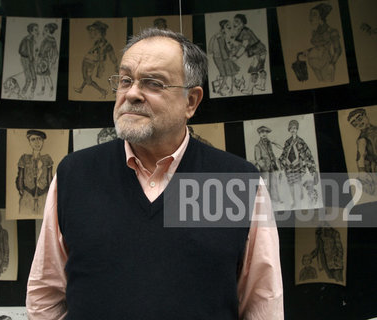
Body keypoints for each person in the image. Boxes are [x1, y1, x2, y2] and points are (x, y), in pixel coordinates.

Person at [27, 28, 283, 319]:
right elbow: (45, 293)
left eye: (153, 83)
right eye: (125, 80)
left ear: (191, 102)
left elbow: (263, 302)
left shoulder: (234, 182)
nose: (132, 93)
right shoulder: (75, 174)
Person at [278, 120, 318, 209]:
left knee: (300, 184)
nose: (293, 130)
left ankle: (305, 197)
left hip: (298, 167)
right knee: (291, 184)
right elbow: (284, 154)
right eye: (291, 128)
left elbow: (308, 154)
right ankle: (295, 202)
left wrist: (312, 169)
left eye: (295, 128)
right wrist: (280, 163)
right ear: (289, 129)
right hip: (289, 167)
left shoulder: (301, 141)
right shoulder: (287, 142)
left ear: (297, 129)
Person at [74, 20, 118, 98]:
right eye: (92, 30)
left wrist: (115, 64)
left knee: (88, 80)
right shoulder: (97, 42)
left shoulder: (106, 44)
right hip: (88, 61)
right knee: (86, 77)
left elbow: (112, 55)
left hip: (91, 63)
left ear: (100, 32)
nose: (92, 33)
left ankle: (103, 91)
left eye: (94, 31)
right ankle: (81, 88)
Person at [300, 3, 342, 82]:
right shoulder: (315, 32)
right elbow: (318, 46)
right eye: (310, 14)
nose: (310, 18)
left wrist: (332, 63)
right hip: (313, 64)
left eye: (314, 14)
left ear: (321, 17)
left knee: (327, 83)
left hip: (326, 64)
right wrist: (308, 51)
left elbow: (338, 50)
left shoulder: (332, 31)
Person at [15, 130, 53, 214]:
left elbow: (50, 178)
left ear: (43, 141)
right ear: (29, 142)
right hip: (28, 194)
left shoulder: (47, 159)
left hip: (43, 194)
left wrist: (51, 194)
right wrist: (21, 189)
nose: (37, 142)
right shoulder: (24, 158)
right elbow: (20, 176)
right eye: (33, 139)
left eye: (39, 139)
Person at [232, 14, 267, 94]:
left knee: (253, 71)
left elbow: (244, 46)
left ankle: (249, 90)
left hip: (257, 52)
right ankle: (262, 86)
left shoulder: (245, 32)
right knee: (261, 69)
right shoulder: (243, 31)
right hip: (261, 50)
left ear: (242, 23)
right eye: (234, 21)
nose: (235, 23)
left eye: (237, 21)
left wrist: (236, 56)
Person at [208, 19, 240, 96]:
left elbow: (211, 50)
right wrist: (230, 52)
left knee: (229, 74)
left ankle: (229, 89)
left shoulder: (220, 36)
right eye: (228, 27)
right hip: (221, 57)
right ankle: (227, 89)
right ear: (223, 28)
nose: (230, 28)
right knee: (228, 74)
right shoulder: (220, 36)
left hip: (222, 57)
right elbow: (216, 49)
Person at [254, 125, 282, 203]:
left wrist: (275, 163)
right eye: (262, 132)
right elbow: (258, 159)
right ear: (259, 134)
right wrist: (264, 166)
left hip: (272, 167)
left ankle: (276, 199)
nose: (264, 134)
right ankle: (266, 201)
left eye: (266, 132)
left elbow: (273, 153)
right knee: (266, 186)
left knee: (274, 184)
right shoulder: (257, 146)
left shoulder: (270, 144)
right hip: (264, 169)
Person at [36, 23, 59, 97]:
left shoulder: (51, 40)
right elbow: (41, 50)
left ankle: (51, 90)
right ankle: (43, 91)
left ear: (48, 30)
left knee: (46, 76)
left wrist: (53, 62)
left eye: (45, 30)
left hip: (44, 61)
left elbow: (55, 53)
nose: (43, 31)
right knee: (41, 76)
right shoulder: (46, 39)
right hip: (40, 59)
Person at [19, 23, 39, 98]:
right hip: (26, 59)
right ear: (31, 31)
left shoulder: (33, 39)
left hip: (30, 59)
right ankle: (23, 92)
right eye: (35, 30)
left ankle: (31, 93)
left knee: (34, 78)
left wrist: (35, 57)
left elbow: (35, 51)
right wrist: (33, 61)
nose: (37, 31)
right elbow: (29, 53)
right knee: (29, 79)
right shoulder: (28, 39)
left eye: (37, 29)